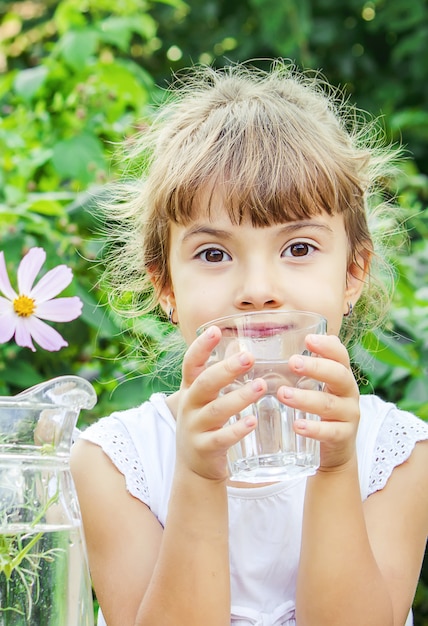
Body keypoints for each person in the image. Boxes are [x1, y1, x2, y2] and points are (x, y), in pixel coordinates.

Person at [70, 61, 428, 626]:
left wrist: (335, 472)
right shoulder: (114, 463)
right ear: (165, 284)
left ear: (353, 273)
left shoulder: (398, 454)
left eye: (299, 248)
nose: (258, 291)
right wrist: (198, 474)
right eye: (214, 254)